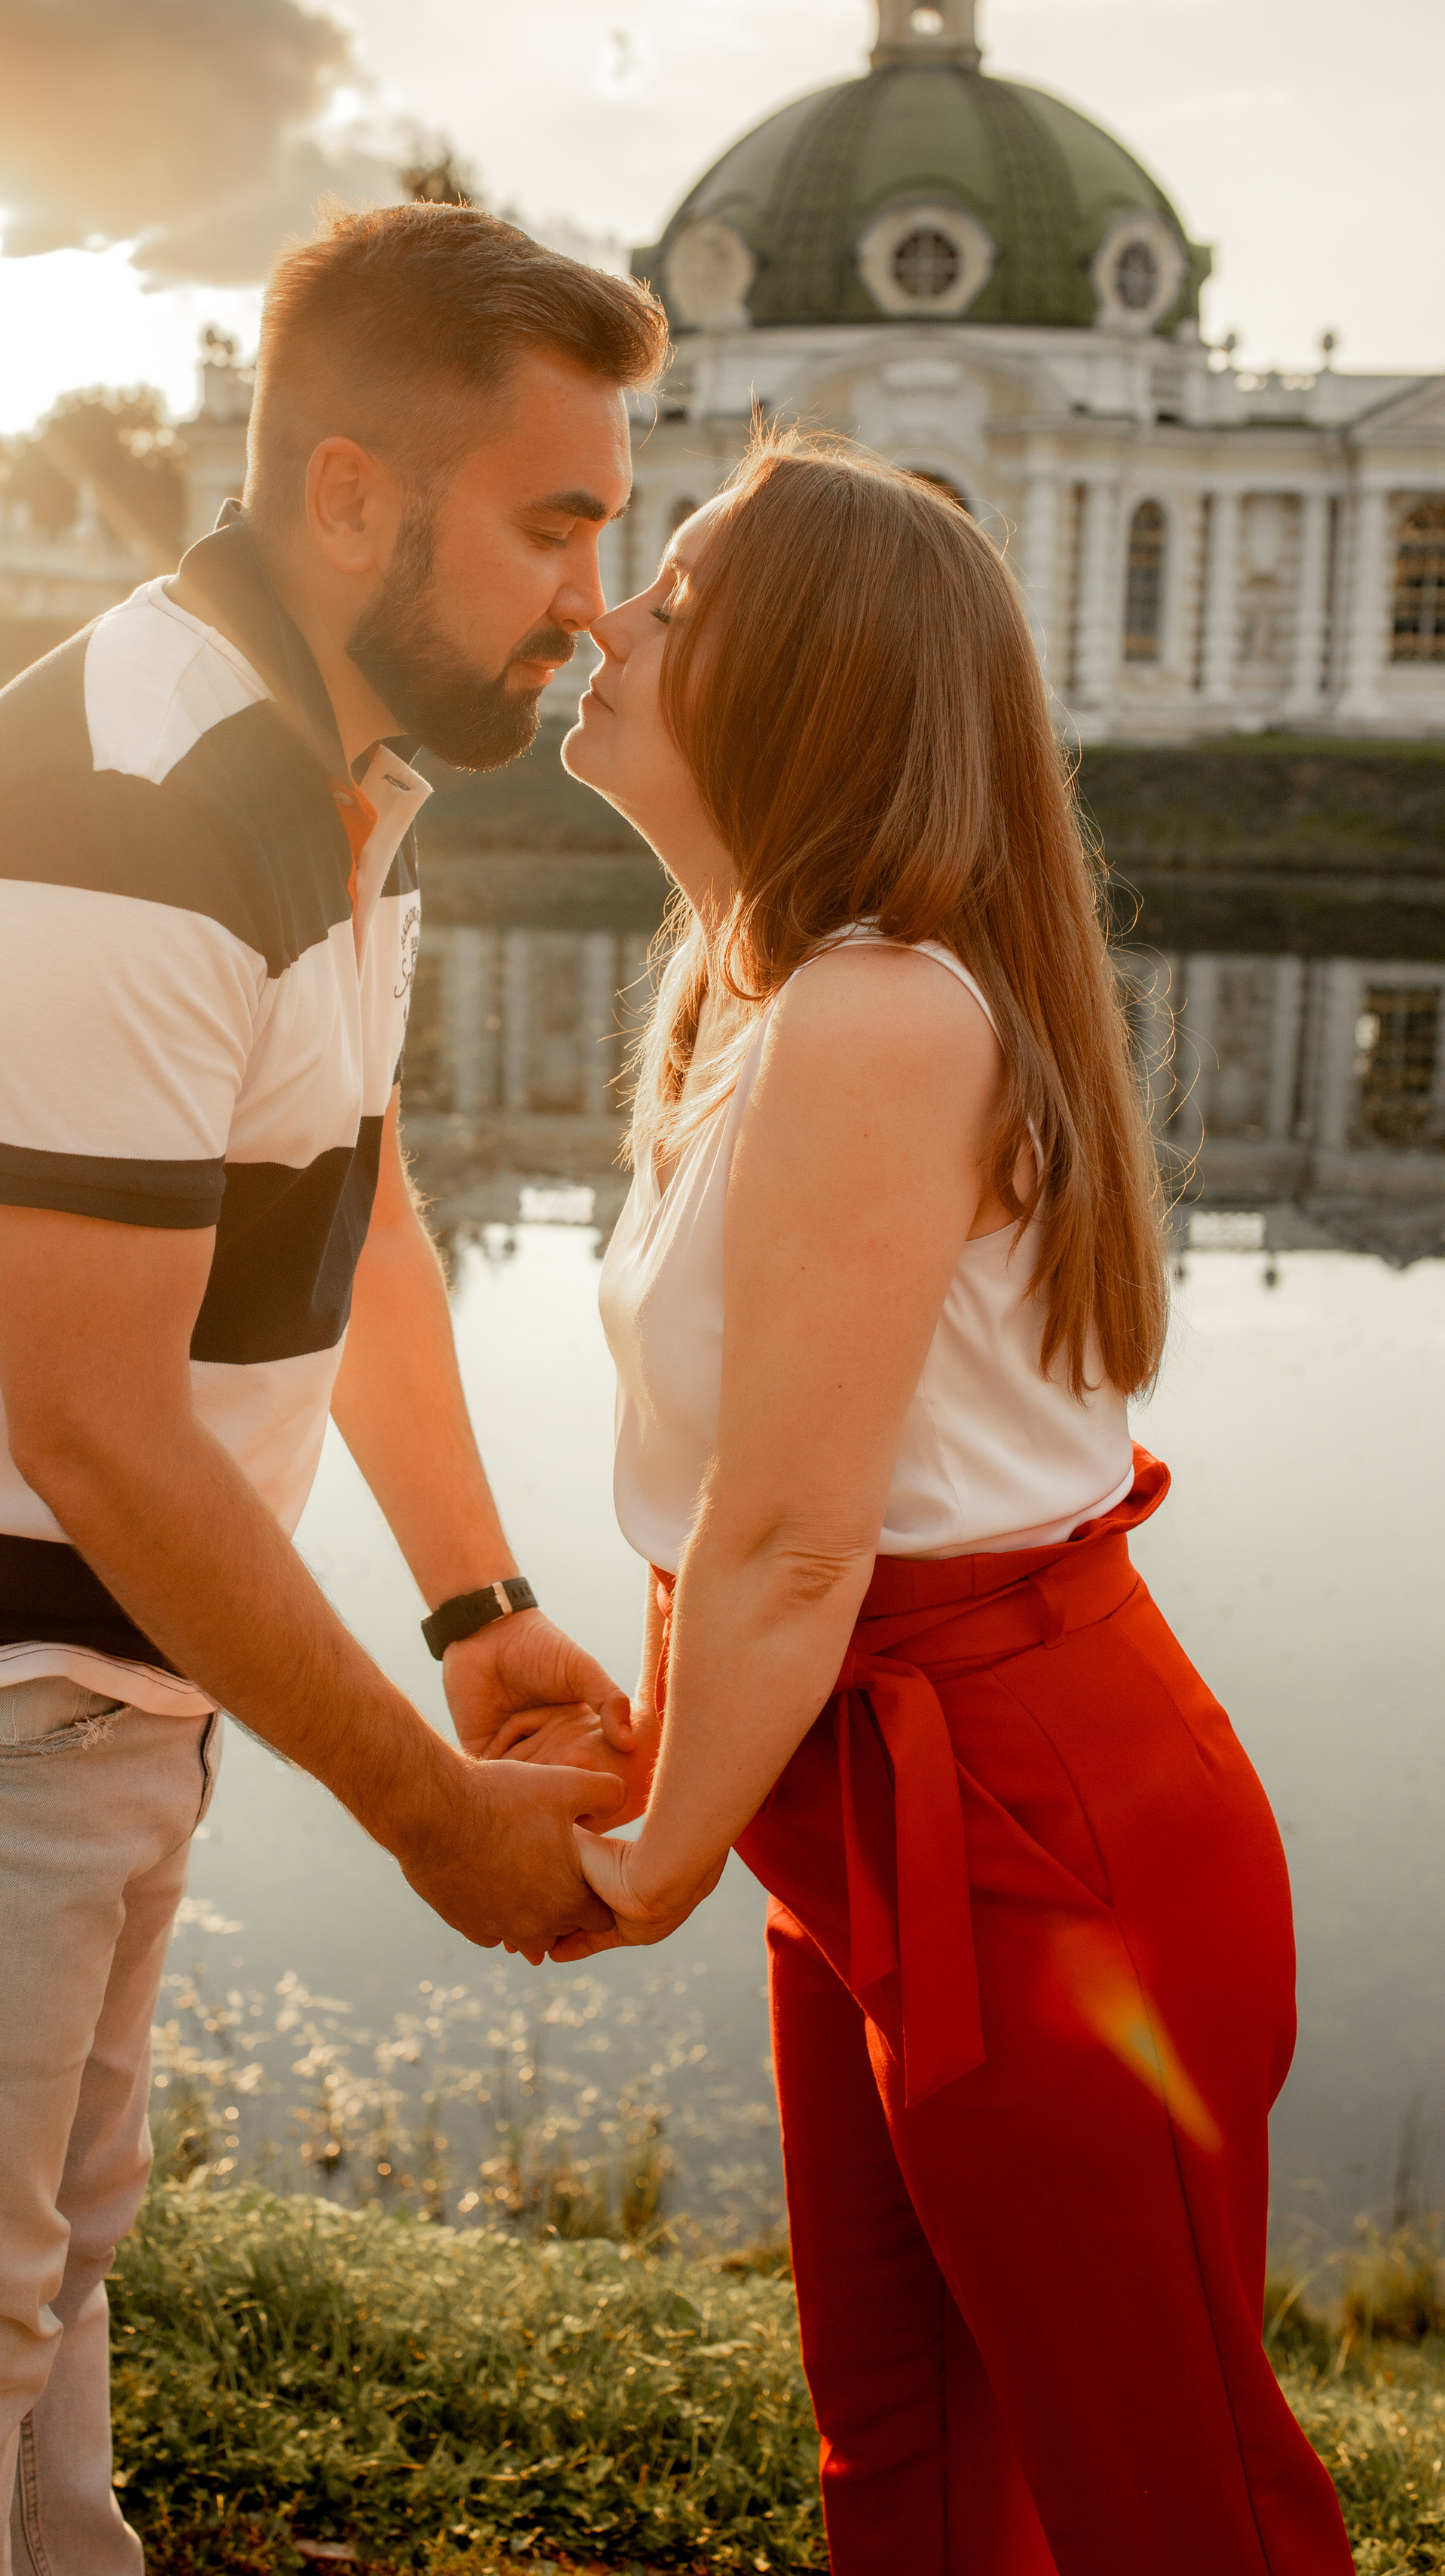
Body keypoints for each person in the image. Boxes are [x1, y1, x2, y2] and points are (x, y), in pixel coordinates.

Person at [0, 202, 668, 2576]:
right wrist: (435, 1815)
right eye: (555, 524)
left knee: (51, 2292)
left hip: (101, 1674)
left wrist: (478, 1606)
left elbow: (365, 1215)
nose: (598, 605)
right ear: (351, 496)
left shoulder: (346, 775)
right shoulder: (120, 813)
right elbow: (97, 1428)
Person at [541, 436, 1352, 2573]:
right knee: (900, 2453)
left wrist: (647, 1857)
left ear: (803, 683)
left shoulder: (883, 1012)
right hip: (865, 1808)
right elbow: (747, 1517)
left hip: (1033, 1833)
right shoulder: (755, 999)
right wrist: (693, 1769)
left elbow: (804, 1535)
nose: (604, 618)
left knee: (1166, 2502)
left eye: (677, 604)